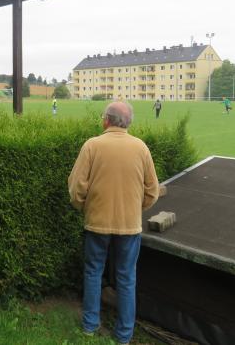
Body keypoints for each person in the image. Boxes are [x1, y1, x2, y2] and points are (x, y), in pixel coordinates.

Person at [68, 102, 160, 345]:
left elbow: (76, 187)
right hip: (130, 226)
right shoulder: (141, 147)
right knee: (127, 278)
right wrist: (134, 209)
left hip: (96, 223)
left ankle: (89, 327)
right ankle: (124, 336)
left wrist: (85, 207)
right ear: (127, 123)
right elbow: (152, 191)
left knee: (93, 272)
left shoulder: (92, 145)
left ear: (106, 120)